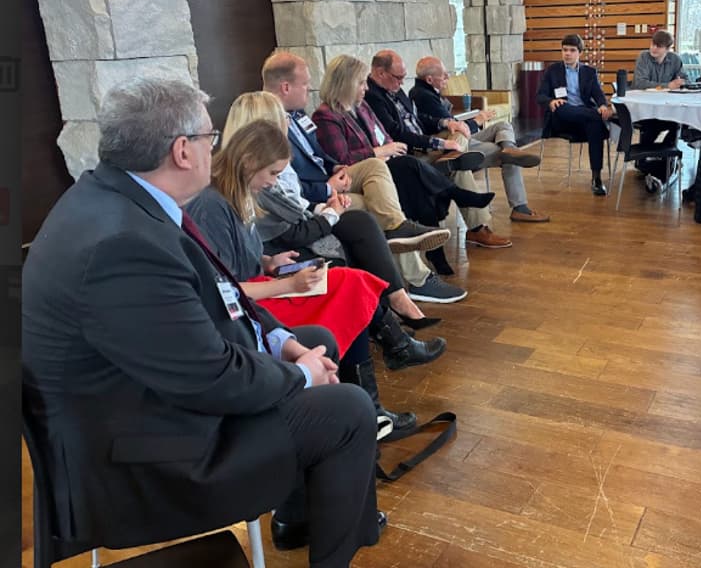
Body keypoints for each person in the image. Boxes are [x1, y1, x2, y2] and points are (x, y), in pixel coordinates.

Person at [23, 78, 382, 567]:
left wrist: (279, 343)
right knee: (347, 409)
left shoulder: (118, 199)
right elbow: (210, 377)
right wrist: (301, 375)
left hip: (141, 403)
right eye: (210, 138)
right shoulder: (121, 243)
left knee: (311, 340)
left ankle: (305, 510)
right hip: (143, 458)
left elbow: (223, 286)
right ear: (182, 151)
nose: (216, 148)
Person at [222, 91, 443, 331]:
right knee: (359, 226)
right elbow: (285, 225)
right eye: (281, 118)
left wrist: (327, 199)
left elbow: (306, 182)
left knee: (365, 212)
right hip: (292, 235)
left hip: (307, 213)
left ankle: (398, 296)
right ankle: (393, 315)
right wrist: (328, 202)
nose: (288, 122)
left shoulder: (267, 168)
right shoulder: (255, 181)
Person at [261, 51, 466, 303]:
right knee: (384, 193)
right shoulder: (276, 125)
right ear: (285, 87)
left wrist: (335, 168)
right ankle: (415, 278)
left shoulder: (300, 116)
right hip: (316, 195)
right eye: (304, 84)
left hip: (336, 179)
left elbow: (323, 155)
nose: (309, 88)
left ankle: (403, 241)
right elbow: (285, 187)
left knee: (384, 173)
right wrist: (327, 188)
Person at [364, 50, 512, 249]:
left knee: (457, 132)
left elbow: (418, 119)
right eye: (398, 77)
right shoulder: (372, 97)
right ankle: (477, 228)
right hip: (410, 153)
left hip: (426, 142)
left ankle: (453, 157)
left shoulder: (396, 89)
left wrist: (446, 122)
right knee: (458, 166)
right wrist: (438, 144)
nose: (401, 83)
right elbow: (397, 133)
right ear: (381, 73)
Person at [410, 56, 550, 223]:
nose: (448, 77)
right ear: (429, 79)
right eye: (444, 75)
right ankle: (519, 207)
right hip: (450, 144)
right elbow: (449, 127)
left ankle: (509, 147)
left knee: (503, 126)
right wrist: (477, 121)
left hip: (459, 137)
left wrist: (473, 122)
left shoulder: (429, 92)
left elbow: (451, 123)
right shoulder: (423, 96)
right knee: (507, 157)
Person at [536, 34, 613, 195]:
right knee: (572, 110)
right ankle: (596, 118)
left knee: (595, 125)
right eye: (564, 50)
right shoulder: (552, 71)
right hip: (562, 117)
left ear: (580, 53)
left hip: (584, 120)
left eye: (572, 50)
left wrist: (602, 105)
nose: (567, 54)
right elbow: (540, 95)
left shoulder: (589, 72)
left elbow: (598, 94)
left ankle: (596, 177)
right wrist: (550, 102)